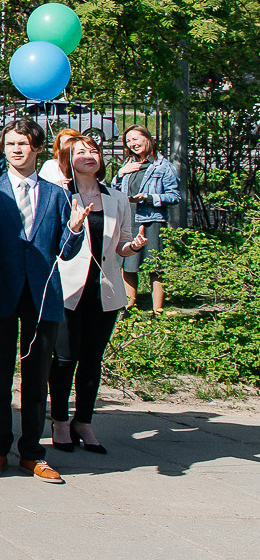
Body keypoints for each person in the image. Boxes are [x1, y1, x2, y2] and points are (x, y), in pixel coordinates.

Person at [0, 118, 85, 483]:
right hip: (1, 297)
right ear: (2, 149)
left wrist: (76, 229)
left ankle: (33, 452)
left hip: (42, 298)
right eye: (10, 144)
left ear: (37, 148)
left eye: (23, 144)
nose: (16, 150)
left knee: (37, 378)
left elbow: (64, 252)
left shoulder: (57, 194)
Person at [51, 134, 146, 454]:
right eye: (81, 151)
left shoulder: (117, 197)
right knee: (64, 358)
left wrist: (131, 248)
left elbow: (122, 242)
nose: (90, 155)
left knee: (92, 359)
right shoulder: (59, 196)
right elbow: (57, 246)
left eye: (94, 150)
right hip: (68, 289)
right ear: (67, 159)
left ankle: (84, 421)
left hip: (105, 290)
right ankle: (60, 421)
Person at [115, 126, 178, 312]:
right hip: (129, 218)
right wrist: (120, 174)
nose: (132, 144)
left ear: (147, 139)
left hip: (152, 220)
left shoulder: (163, 166)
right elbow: (113, 189)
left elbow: (174, 196)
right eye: (128, 141)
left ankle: (157, 310)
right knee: (128, 263)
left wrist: (148, 198)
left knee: (154, 265)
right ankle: (129, 307)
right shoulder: (128, 164)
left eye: (135, 139)